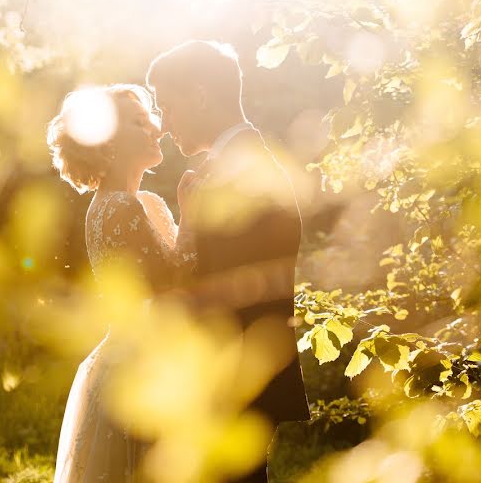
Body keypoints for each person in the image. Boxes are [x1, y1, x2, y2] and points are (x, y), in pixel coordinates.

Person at [146, 40, 310, 483]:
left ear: (200, 96)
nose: (162, 125)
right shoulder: (227, 167)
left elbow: (241, 289)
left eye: (167, 106)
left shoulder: (246, 170)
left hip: (237, 381)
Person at [46, 83, 193, 483]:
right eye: (138, 121)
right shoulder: (120, 206)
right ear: (106, 140)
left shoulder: (142, 202)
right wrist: (196, 216)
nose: (156, 128)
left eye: (151, 119)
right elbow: (173, 283)